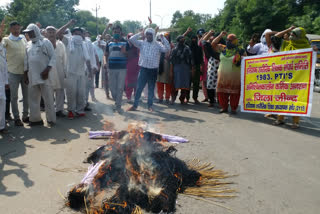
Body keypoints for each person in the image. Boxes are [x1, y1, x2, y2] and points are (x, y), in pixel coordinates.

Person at [271, 26, 312, 129]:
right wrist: (288, 30)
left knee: (296, 100)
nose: (291, 36)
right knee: (282, 97)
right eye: (291, 34)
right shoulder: (286, 44)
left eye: (294, 34)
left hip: (298, 79)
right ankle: (280, 119)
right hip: (285, 77)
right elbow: (274, 38)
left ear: (300, 36)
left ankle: (296, 122)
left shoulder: (306, 48)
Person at [127, 28, 170, 112]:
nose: (149, 36)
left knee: (151, 89)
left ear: (153, 35)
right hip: (143, 69)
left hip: (153, 70)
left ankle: (150, 106)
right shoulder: (142, 43)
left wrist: (163, 38)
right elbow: (131, 39)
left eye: (150, 34)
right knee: (139, 88)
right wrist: (140, 33)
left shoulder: (158, 44)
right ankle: (135, 106)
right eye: (147, 34)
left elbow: (167, 49)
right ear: (145, 35)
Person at [56, 20, 92, 119]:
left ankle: (80, 110)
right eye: (75, 33)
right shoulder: (68, 41)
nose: (77, 35)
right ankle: (71, 110)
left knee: (81, 92)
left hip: (81, 72)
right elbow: (58, 33)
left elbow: (87, 59)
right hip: (70, 72)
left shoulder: (83, 44)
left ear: (82, 35)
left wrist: (89, 72)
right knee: (71, 92)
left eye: (79, 33)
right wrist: (68, 24)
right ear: (72, 34)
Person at [23, 24, 56, 126]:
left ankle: (51, 120)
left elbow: (53, 58)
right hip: (32, 75)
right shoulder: (28, 44)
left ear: (36, 31)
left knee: (48, 99)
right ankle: (35, 119)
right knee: (33, 99)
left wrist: (47, 70)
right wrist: (25, 74)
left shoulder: (46, 42)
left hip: (44, 75)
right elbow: (26, 60)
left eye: (31, 32)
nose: (29, 34)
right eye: (28, 32)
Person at [2, 21, 29, 126]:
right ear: (10, 29)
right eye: (14, 29)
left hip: (25, 72)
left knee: (26, 95)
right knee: (14, 97)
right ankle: (17, 118)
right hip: (12, 72)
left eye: (18, 28)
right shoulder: (6, 40)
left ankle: (25, 115)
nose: (17, 31)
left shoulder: (23, 39)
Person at [213, 32, 246, 114]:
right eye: (227, 40)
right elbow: (213, 44)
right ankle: (224, 107)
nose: (228, 41)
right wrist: (220, 35)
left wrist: (241, 58)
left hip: (235, 76)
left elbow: (246, 59)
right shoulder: (223, 48)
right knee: (221, 92)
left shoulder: (240, 50)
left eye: (230, 40)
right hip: (222, 75)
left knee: (234, 93)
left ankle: (234, 108)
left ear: (235, 41)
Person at [105, 25, 129, 113]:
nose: (116, 34)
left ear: (120, 33)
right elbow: (106, 54)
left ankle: (118, 105)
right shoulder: (109, 43)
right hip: (111, 68)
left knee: (120, 88)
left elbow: (129, 55)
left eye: (118, 32)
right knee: (112, 87)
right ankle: (117, 101)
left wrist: (124, 52)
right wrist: (104, 63)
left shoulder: (125, 42)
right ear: (113, 33)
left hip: (122, 68)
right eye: (115, 32)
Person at [46, 26, 68, 117]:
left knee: (60, 90)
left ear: (56, 33)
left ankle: (59, 110)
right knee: (48, 91)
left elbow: (65, 58)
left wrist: (65, 72)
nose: (51, 34)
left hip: (59, 70)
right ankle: (50, 111)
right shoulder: (44, 44)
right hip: (48, 71)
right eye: (49, 32)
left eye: (53, 32)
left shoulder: (60, 44)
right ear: (46, 34)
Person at [170, 35, 193, 104]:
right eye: (181, 39)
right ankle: (173, 99)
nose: (183, 40)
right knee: (175, 84)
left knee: (185, 85)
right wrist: (171, 71)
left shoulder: (187, 48)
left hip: (186, 68)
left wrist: (192, 69)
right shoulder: (174, 49)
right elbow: (171, 61)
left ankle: (182, 99)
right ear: (178, 40)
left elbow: (191, 59)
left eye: (183, 39)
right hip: (177, 68)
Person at [202, 30, 220, 107]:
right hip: (212, 70)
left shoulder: (221, 48)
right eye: (211, 40)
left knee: (220, 86)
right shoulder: (209, 49)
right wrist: (209, 33)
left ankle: (221, 101)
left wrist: (220, 35)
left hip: (221, 70)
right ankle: (211, 101)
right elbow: (203, 41)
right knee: (210, 85)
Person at [156, 32, 173, 104]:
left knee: (168, 83)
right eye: (164, 37)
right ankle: (160, 98)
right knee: (159, 82)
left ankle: (167, 98)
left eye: (167, 37)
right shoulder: (158, 45)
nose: (166, 38)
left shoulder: (171, 46)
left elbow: (172, 56)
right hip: (159, 65)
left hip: (168, 65)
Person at [84, 30, 99, 108]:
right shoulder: (75, 42)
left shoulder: (91, 44)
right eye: (85, 34)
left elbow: (94, 56)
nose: (87, 36)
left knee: (90, 84)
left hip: (89, 68)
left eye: (88, 35)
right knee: (83, 86)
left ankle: (88, 100)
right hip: (80, 68)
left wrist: (95, 66)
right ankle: (84, 102)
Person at [125, 33, 140, 102]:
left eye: (132, 36)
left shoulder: (137, 45)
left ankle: (136, 96)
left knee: (137, 81)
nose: (131, 38)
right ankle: (129, 97)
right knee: (129, 82)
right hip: (129, 65)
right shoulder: (126, 45)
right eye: (130, 37)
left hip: (137, 65)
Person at [0, 31, 9, 133]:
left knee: (2, 102)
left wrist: (6, 81)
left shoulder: (3, 48)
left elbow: (5, 66)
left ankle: (1, 126)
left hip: (1, 81)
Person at [197, 28, 209, 102]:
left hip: (208, 61)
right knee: (204, 80)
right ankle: (206, 96)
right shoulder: (200, 42)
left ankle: (210, 97)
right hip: (203, 62)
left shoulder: (208, 41)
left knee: (209, 80)